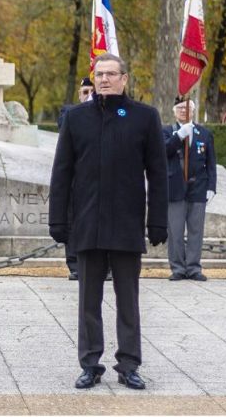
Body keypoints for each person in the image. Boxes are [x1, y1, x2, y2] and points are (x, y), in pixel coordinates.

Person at [48, 53, 167, 391]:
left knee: (128, 300)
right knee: (88, 300)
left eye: (111, 74)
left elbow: (158, 174)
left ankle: (129, 364)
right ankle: (90, 363)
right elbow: (62, 173)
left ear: (124, 79)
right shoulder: (76, 118)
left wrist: (158, 221)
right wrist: (58, 220)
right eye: (99, 74)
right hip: (87, 224)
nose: (104, 80)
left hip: (127, 224)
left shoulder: (144, 117)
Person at [163, 98, 216, 281]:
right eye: (179, 109)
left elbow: (211, 164)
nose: (184, 112)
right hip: (175, 188)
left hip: (198, 187)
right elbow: (164, 152)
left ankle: (193, 267)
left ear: (193, 111)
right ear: (174, 111)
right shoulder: (166, 131)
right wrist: (178, 136)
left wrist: (211, 187)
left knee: (196, 231)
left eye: (187, 109)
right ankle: (177, 267)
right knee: (175, 231)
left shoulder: (204, 133)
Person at [57, 77, 95, 281]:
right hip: (75, 180)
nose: (89, 96)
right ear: (79, 94)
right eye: (85, 92)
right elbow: (63, 126)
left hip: (97, 180)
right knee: (73, 223)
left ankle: (102, 266)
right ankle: (75, 265)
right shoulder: (69, 113)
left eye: (92, 92)